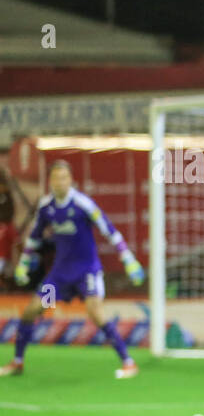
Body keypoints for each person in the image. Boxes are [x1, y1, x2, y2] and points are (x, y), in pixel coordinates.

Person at [2, 161, 144, 378]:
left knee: (94, 313)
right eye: (56, 178)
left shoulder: (82, 204)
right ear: (50, 182)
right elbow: (34, 238)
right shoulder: (46, 207)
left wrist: (128, 259)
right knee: (33, 310)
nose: (60, 182)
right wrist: (23, 264)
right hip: (59, 277)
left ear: (71, 180)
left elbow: (109, 230)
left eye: (64, 178)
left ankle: (128, 362)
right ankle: (18, 362)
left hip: (87, 272)